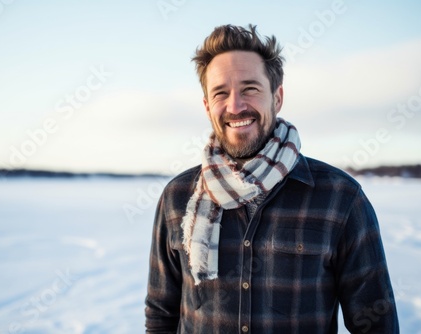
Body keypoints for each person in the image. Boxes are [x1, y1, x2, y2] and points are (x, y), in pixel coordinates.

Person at [145, 24, 399, 333]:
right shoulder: (178, 198)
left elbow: (376, 323)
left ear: (277, 98)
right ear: (207, 105)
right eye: (221, 93)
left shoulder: (340, 198)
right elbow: (161, 314)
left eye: (250, 88)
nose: (235, 106)